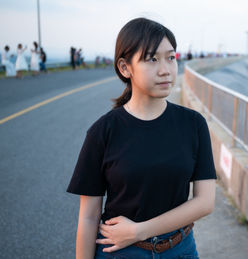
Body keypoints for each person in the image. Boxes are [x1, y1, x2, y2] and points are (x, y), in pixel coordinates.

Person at [67, 17, 217, 259]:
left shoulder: (193, 124)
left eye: (171, 57)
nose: (165, 69)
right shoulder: (103, 131)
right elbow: (88, 216)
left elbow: (205, 201)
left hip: (180, 250)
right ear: (125, 68)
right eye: (151, 59)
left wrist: (139, 231)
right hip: (120, 253)